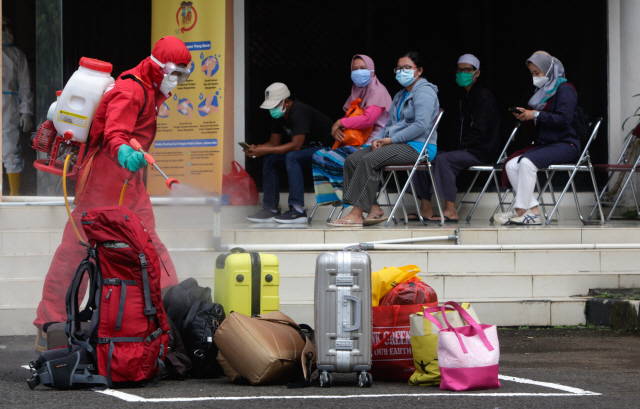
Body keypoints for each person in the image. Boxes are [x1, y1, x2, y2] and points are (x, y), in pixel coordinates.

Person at [34, 36, 191, 351]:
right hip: (103, 181)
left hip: (128, 182)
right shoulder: (131, 90)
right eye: (175, 73)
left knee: (148, 245)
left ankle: (173, 316)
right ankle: (50, 326)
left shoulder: (149, 88)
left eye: (184, 75)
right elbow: (114, 134)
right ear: (159, 67)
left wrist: (129, 162)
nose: (177, 81)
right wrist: (124, 154)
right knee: (77, 250)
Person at [329, 51, 439, 227]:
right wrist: (379, 139)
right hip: (398, 143)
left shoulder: (425, 92)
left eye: (407, 68)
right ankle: (373, 208)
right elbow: (388, 124)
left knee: (369, 160)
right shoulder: (400, 95)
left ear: (419, 71)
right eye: (399, 68)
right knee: (352, 159)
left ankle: (357, 214)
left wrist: (391, 140)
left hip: (419, 146)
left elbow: (421, 125)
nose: (402, 71)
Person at [412, 54, 500, 222]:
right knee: (424, 157)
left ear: (477, 73)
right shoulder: (460, 98)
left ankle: (451, 210)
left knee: (444, 160)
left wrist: (456, 148)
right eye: (460, 70)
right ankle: (426, 208)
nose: (463, 73)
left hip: (480, 151)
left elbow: (479, 133)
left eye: (467, 70)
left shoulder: (484, 97)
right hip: (462, 149)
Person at [495, 51, 580, 225]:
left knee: (526, 162)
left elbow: (564, 120)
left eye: (537, 73)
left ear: (549, 70)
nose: (534, 77)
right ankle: (531, 211)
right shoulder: (542, 91)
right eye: (532, 73)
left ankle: (521, 210)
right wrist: (527, 117)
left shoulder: (566, 89)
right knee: (511, 164)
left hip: (566, 143)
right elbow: (540, 119)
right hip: (547, 144)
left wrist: (535, 114)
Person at [245, 83, 334, 223]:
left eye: (275, 105)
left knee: (292, 156)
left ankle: (297, 210)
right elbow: (273, 143)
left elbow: (296, 146)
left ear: (286, 101)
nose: (273, 109)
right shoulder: (279, 115)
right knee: (270, 159)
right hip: (306, 151)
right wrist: (258, 149)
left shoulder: (299, 111)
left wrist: (264, 149)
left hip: (328, 150)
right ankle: (270, 209)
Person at [311, 54, 392, 206]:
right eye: (354, 69)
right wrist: (338, 131)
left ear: (372, 71)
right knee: (318, 156)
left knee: (333, 157)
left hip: (375, 143)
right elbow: (351, 119)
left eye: (363, 68)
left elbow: (368, 119)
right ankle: (334, 196)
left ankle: (352, 200)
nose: (358, 72)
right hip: (356, 141)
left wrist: (340, 122)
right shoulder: (357, 91)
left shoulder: (378, 91)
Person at [2, 16, 34, 196]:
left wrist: (26, 111)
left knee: (9, 149)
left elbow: (25, 85)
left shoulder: (17, 54)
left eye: (7, 27)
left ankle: (14, 197)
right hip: (9, 104)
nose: (5, 31)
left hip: (9, 106)